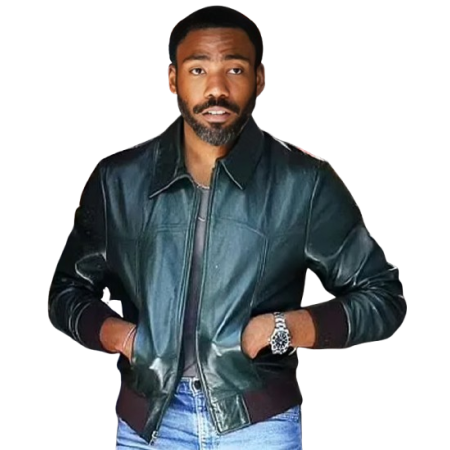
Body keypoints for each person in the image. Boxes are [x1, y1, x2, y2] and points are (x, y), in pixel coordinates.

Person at [47, 5, 407, 449]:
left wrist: (281, 328)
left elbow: (384, 298)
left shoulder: (305, 182)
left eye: (234, 69)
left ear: (259, 78)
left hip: (258, 423)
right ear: (173, 79)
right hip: (150, 424)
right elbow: (66, 292)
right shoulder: (118, 180)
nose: (216, 88)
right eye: (198, 69)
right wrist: (124, 338)